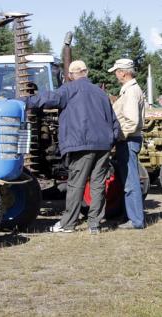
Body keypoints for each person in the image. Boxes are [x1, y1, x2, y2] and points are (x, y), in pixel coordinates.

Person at [21, 60, 120, 234]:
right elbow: (114, 121)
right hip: (103, 145)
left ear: (71, 75)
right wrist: (111, 140)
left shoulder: (69, 89)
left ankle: (68, 224)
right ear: (86, 72)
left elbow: (47, 98)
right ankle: (95, 224)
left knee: (76, 185)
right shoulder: (101, 93)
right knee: (97, 185)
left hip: (81, 145)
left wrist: (23, 101)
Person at [108, 58, 145, 229]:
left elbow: (131, 121)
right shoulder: (130, 90)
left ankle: (136, 220)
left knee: (131, 182)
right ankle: (131, 216)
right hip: (129, 140)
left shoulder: (130, 92)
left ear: (123, 72)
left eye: (117, 71)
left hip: (128, 140)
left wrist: (118, 137)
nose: (116, 75)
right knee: (128, 180)